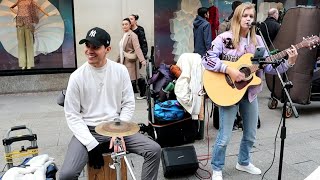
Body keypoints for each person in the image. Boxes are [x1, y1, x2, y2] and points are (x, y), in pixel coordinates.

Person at [202, 3, 298, 180]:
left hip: (250, 92)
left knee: (251, 133)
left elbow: (269, 69)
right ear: (238, 18)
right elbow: (206, 59)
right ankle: (217, 167)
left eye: (251, 16)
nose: (248, 19)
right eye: (245, 15)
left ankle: (243, 162)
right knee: (224, 136)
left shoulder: (258, 41)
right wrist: (229, 70)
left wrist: (289, 62)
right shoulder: (224, 38)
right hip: (228, 92)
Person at [59, 27, 161, 180]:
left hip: (116, 126)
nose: (89, 50)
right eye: (87, 46)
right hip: (88, 130)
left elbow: (128, 103)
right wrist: (91, 145)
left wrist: (119, 131)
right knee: (66, 175)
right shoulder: (77, 77)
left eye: (95, 47)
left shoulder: (120, 70)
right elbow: (72, 114)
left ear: (107, 49)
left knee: (154, 149)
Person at [10, 0, 49, 69]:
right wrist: (17, 13)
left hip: (28, 23)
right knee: (21, 44)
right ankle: (22, 64)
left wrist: (47, 14)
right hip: (19, 23)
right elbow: (11, 7)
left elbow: (39, 7)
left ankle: (29, 64)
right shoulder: (19, 1)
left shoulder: (31, 1)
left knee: (29, 44)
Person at [118, 18, 147, 95]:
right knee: (128, 79)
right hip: (123, 61)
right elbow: (121, 50)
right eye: (123, 24)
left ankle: (138, 94)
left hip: (129, 61)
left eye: (126, 24)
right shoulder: (124, 35)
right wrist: (117, 61)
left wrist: (142, 60)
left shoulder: (133, 35)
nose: (124, 26)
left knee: (130, 79)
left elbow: (137, 48)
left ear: (130, 25)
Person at [129, 14, 148, 100]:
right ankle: (135, 90)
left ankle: (143, 93)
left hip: (139, 55)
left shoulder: (140, 30)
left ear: (135, 21)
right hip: (131, 56)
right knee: (132, 74)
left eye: (131, 19)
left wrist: (142, 57)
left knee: (139, 74)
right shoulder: (128, 30)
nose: (130, 21)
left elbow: (143, 44)